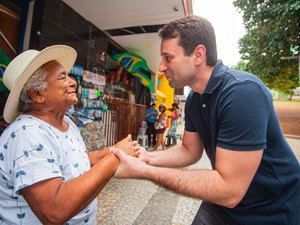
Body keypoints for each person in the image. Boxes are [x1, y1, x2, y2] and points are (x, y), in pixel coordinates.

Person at [110, 15, 300, 225]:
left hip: (271, 208)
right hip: (222, 206)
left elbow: (229, 190)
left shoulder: (242, 92)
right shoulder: (194, 97)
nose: (162, 67)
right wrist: (147, 157)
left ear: (198, 54)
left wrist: (145, 172)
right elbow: (189, 151)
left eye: (168, 57)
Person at [0, 45, 137, 224]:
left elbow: (73, 160)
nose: (73, 82)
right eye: (62, 77)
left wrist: (110, 152)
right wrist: (115, 158)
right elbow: (54, 211)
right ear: (37, 94)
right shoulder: (26, 135)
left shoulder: (67, 123)